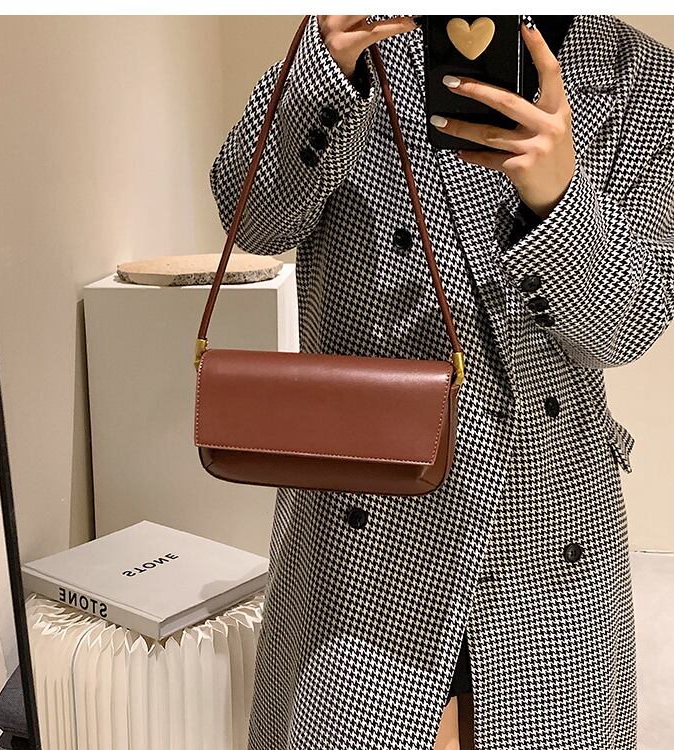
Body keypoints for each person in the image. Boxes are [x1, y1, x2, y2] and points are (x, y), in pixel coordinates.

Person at [209, 14, 674, 750]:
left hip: (548, 528)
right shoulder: (362, 37)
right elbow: (251, 223)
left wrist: (560, 200)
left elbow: (626, 325)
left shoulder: (637, 74)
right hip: (362, 515)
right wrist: (324, 73)